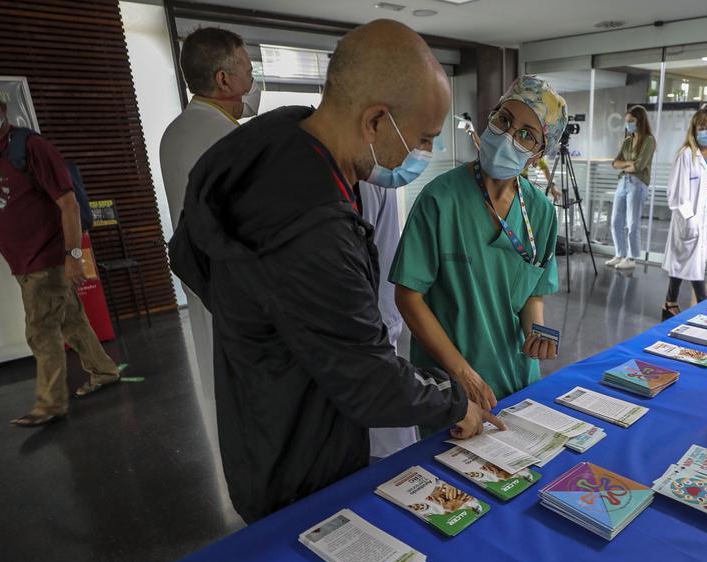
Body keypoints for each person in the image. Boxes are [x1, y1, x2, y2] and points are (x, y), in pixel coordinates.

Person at [168, 20, 500, 523]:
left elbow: (188, 253)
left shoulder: (282, 135)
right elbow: (368, 381)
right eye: (423, 138)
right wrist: (455, 403)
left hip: (269, 408)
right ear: (376, 122)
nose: (424, 154)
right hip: (298, 457)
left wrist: (264, 325)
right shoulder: (311, 225)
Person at [390, 76, 567, 435]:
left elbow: (532, 294)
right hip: (452, 387)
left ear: (538, 152)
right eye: (504, 120)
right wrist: (462, 373)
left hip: (516, 378)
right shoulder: (440, 200)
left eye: (527, 134)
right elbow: (408, 297)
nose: (508, 136)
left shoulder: (541, 211)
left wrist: (539, 333)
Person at [0, 78, 119, 427]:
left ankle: (50, 404)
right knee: (71, 321)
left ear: (0, 106)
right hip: (20, 260)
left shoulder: (32, 147)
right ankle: (104, 371)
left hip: (46, 256)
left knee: (41, 331)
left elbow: (68, 203)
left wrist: (74, 255)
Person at [159, 27, 258, 402]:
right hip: (237, 286)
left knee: (215, 377)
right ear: (223, 79)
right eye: (247, 70)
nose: (252, 79)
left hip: (199, 278)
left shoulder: (175, 131)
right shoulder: (229, 138)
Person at [361, 181, 420, 460]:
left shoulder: (381, 181)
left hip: (382, 346)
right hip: (361, 351)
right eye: (424, 139)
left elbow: (386, 274)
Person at [661, 108, 707, 319]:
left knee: (687, 263)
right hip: (689, 219)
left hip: (704, 219)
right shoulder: (686, 155)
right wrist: (690, 221)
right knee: (691, 264)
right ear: (694, 130)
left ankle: (670, 303)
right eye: (703, 128)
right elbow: (676, 195)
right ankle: (703, 304)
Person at [606, 105, 657, 271]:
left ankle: (632, 257)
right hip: (623, 182)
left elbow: (640, 166)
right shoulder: (627, 141)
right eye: (627, 121)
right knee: (615, 221)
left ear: (640, 121)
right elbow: (615, 163)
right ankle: (620, 253)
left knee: (632, 223)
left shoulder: (649, 140)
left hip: (638, 184)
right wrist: (628, 164)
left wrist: (627, 165)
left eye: (632, 121)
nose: (629, 124)